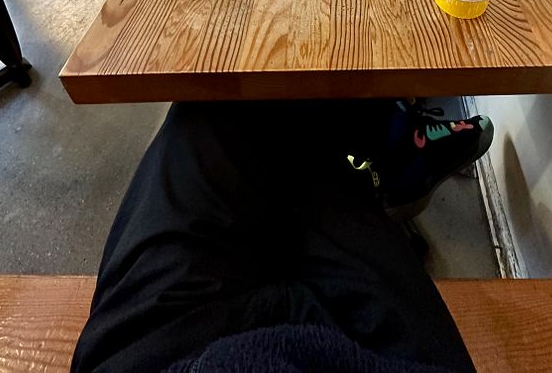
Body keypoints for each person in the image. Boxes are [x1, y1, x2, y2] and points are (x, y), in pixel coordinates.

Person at [72, 99, 494, 373]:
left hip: (151, 353)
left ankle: (396, 147)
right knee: (300, 141)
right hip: (382, 358)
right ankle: (398, 152)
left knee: (218, 100)